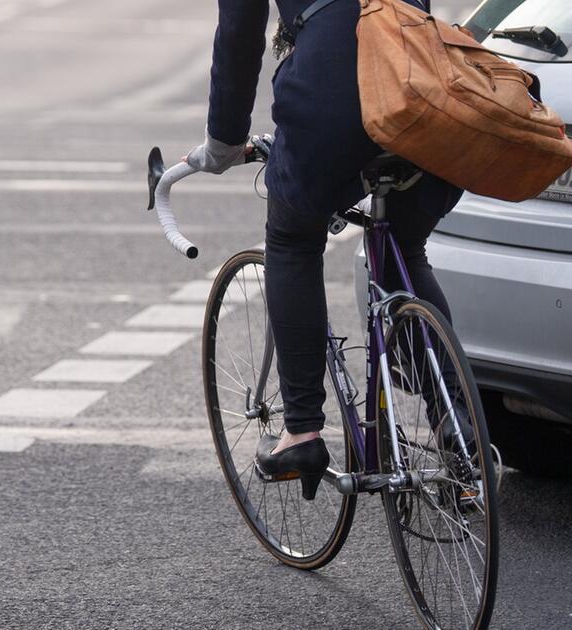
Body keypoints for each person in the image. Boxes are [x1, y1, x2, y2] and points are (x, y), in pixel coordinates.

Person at [185, 0, 464, 499]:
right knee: (405, 247)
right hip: (427, 86)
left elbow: (239, 35)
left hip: (335, 89)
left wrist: (223, 144)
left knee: (293, 239)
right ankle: (458, 429)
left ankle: (303, 431)